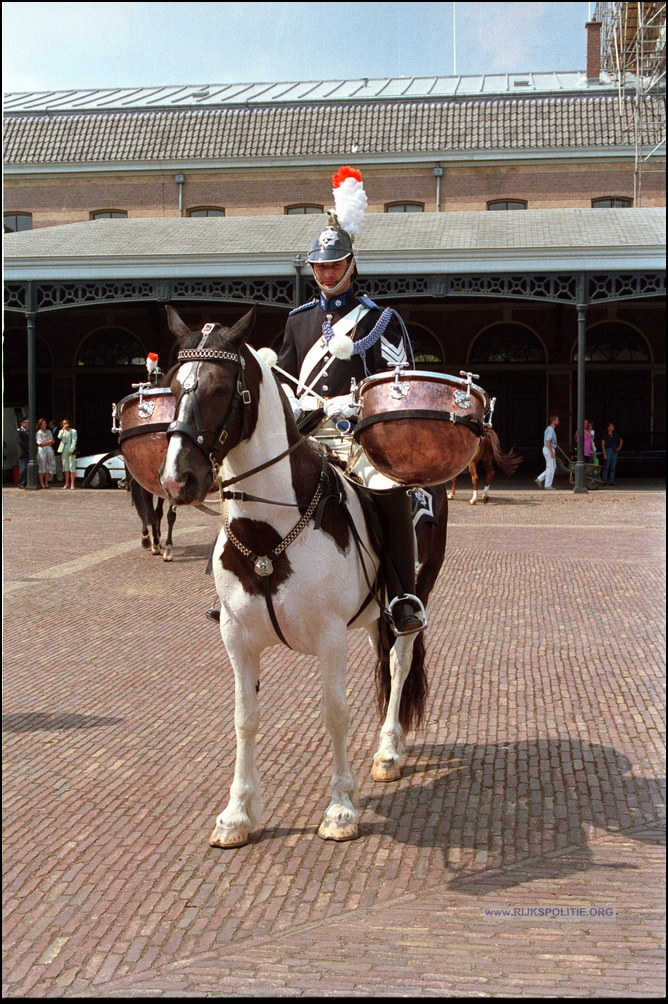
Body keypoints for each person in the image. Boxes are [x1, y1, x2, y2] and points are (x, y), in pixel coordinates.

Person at [276, 166, 423, 635]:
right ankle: (233, 585)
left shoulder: (381, 320)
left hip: (357, 437)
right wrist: (293, 404)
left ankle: (402, 593)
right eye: (318, 266)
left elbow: (400, 387)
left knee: (390, 493)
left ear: (351, 264)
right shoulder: (298, 321)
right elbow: (281, 374)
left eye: (334, 265)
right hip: (304, 436)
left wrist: (356, 405)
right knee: (249, 480)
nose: (325, 273)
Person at [535, 415, 559, 490]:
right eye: (557, 420)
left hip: (549, 448)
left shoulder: (549, 429)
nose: (558, 422)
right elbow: (548, 441)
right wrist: (551, 451)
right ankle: (548, 485)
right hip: (549, 449)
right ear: (553, 421)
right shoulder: (550, 430)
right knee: (551, 467)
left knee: (553, 467)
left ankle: (540, 478)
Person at [36, 417, 56, 488]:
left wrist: (47, 442)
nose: (45, 425)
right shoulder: (38, 433)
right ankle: (42, 483)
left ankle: (46, 483)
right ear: (40, 425)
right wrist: (48, 442)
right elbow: (40, 443)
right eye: (43, 423)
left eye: (45, 423)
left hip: (49, 451)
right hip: (42, 451)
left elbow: (53, 441)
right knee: (41, 467)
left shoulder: (49, 431)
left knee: (48, 467)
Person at [57, 419, 78, 489]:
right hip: (64, 448)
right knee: (65, 465)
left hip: (70, 447)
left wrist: (71, 449)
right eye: (64, 423)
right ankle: (66, 483)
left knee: (71, 465)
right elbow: (59, 437)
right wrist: (62, 430)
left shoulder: (73, 431)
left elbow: (74, 441)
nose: (65, 425)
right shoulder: (62, 431)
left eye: (66, 423)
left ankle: (72, 483)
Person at [16, 418, 29, 488]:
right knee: (23, 468)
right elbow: (20, 442)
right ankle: (21, 483)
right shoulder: (19, 431)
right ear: (22, 423)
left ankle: (26, 481)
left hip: (29, 453)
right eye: (26, 423)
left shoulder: (28, 431)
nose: (27, 424)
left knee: (27, 468)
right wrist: (29, 447)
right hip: (23, 452)